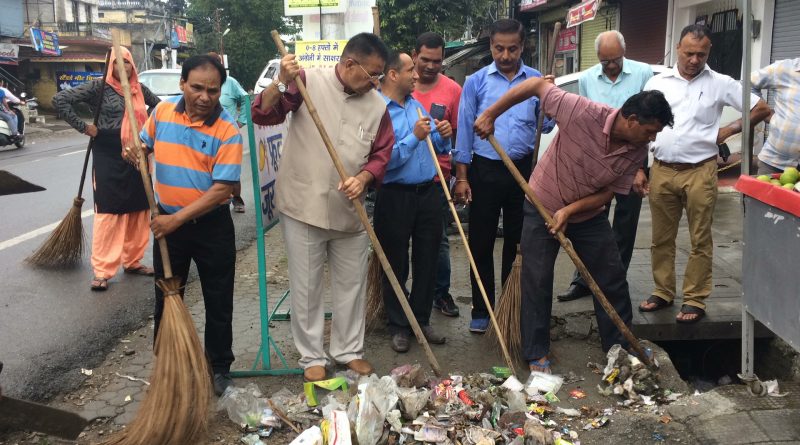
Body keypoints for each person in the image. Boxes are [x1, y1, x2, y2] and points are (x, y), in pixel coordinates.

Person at [474, 77, 674, 373]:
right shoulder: (582, 111)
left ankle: (618, 344)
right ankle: (536, 351)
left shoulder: (636, 150)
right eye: (649, 132)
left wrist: (570, 210)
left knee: (612, 276)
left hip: (586, 215)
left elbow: (609, 193)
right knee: (537, 279)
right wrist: (491, 114)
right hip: (541, 205)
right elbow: (536, 86)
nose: (651, 139)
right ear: (632, 121)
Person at [251, 33, 394, 382]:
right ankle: (312, 356)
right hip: (303, 205)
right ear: (349, 63)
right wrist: (280, 82)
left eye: (379, 76)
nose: (376, 82)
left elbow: (382, 153)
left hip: (350, 210)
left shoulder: (378, 105)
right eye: (372, 74)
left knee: (351, 285)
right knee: (307, 285)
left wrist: (364, 177)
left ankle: (348, 351)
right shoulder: (307, 82)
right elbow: (262, 113)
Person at [640, 24, 770, 323]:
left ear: (708, 52)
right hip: (662, 169)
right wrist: (638, 169)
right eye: (689, 53)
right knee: (661, 238)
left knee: (700, 238)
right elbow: (643, 126)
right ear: (678, 50)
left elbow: (761, 108)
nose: (695, 60)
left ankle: (695, 299)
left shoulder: (721, 83)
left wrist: (728, 129)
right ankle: (662, 291)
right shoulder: (657, 83)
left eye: (701, 54)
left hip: (700, 170)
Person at [131, 54, 243, 396]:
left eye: (212, 90)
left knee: (219, 300)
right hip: (169, 225)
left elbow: (222, 190)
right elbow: (142, 144)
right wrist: (134, 151)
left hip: (209, 227)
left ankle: (219, 367)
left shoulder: (228, 130)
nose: (204, 96)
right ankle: (168, 365)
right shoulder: (162, 113)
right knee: (166, 297)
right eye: (197, 87)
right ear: (183, 84)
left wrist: (174, 220)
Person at [454, 18, 553, 333]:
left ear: (522, 46)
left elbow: (547, 126)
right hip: (485, 170)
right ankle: (482, 309)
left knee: (518, 242)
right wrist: (462, 176)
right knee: (481, 243)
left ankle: (513, 305)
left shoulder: (537, 79)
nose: (506, 55)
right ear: (492, 46)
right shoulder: (476, 81)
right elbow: (464, 133)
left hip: (523, 170)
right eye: (499, 48)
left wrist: (547, 106)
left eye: (513, 48)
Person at [557, 30, 653, 302]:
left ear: (624, 53)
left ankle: (614, 279)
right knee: (588, 218)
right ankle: (582, 280)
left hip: (632, 159)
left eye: (616, 60)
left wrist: (638, 167)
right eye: (606, 61)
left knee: (625, 221)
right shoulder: (587, 79)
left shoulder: (644, 74)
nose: (611, 66)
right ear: (598, 58)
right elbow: (589, 121)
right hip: (598, 160)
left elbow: (648, 124)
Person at [53, 46, 160, 291]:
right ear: (109, 66)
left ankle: (133, 261)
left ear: (133, 66)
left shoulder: (140, 90)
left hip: (136, 153)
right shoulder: (98, 87)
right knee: (109, 211)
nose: (123, 68)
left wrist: (149, 134)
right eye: (117, 63)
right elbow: (60, 100)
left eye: (127, 63)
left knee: (139, 209)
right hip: (107, 152)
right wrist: (84, 127)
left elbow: (160, 109)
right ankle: (103, 270)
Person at [376, 51, 452, 353]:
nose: (417, 76)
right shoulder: (377, 111)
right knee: (395, 263)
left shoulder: (415, 104)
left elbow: (435, 145)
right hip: (394, 196)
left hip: (428, 193)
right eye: (410, 70)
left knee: (428, 258)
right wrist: (413, 138)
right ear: (393, 74)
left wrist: (442, 136)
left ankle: (421, 319)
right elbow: (380, 163)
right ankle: (398, 324)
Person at [411, 31, 463, 317]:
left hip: (437, 178)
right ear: (415, 54)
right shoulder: (400, 84)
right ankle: (402, 299)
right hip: (402, 178)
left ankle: (440, 293)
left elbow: (459, 132)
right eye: (426, 60)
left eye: (438, 61)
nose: (431, 66)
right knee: (401, 243)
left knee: (439, 241)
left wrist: (448, 131)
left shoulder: (453, 89)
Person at [209, 51, 247, 213]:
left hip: (227, 135)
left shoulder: (230, 83)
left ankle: (237, 199)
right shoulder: (201, 83)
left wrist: (242, 120)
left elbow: (245, 98)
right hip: (205, 134)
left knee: (230, 171)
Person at [751, 57, 800, 174]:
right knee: (763, 192)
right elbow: (747, 84)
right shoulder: (783, 68)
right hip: (775, 162)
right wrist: (764, 112)